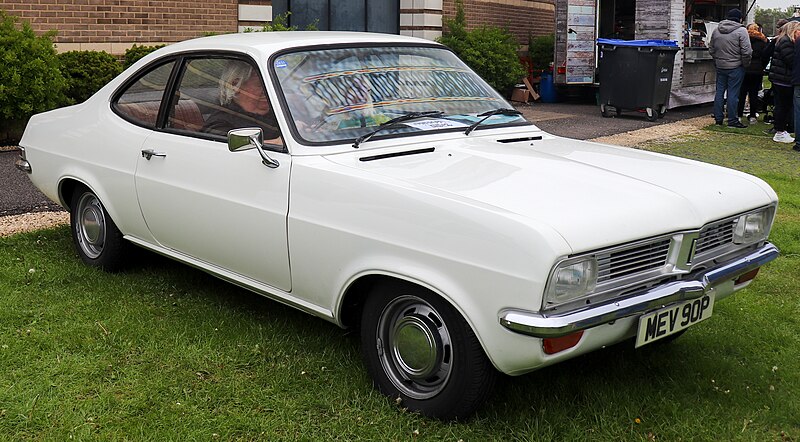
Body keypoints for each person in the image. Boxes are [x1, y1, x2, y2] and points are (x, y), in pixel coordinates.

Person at [203, 61, 282, 144]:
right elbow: (223, 149)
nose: (270, 91)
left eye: (273, 85)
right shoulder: (220, 123)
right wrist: (277, 143)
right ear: (235, 85)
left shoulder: (278, 111)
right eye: (261, 85)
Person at [709, 8, 752, 128]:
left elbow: (711, 48)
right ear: (740, 19)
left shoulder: (717, 30)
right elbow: (747, 51)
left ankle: (718, 119)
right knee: (733, 94)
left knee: (719, 92)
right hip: (736, 66)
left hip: (720, 66)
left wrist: (717, 60)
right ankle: (732, 120)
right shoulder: (741, 31)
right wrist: (745, 63)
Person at [767, 21, 800, 143]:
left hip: (780, 78)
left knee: (782, 106)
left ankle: (781, 130)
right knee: (783, 106)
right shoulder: (786, 42)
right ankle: (780, 131)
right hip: (783, 79)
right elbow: (791, 61)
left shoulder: (783, 41)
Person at [738, 23, 769, 124]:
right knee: (754, 93)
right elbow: (765, 56)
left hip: (745, 68)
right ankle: (752, 116)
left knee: (742, 93)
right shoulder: (762, 41)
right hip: (757, 70)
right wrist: (762, 66)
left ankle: (738, 114)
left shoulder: (743, 39)